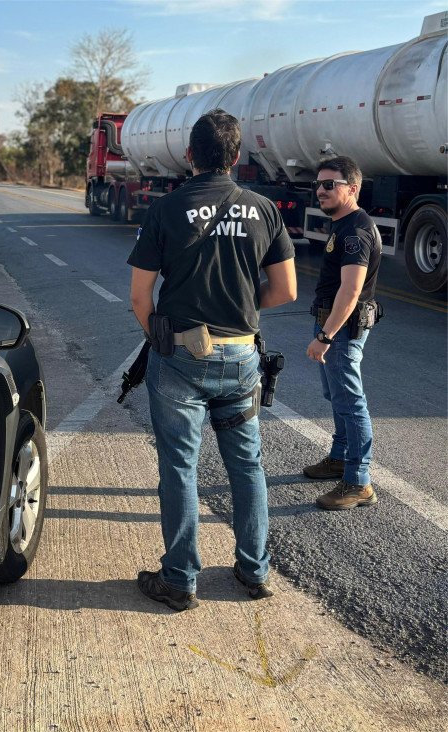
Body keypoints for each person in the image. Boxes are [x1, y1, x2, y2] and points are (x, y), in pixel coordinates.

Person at [128, 109, 297, 611]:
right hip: (242, 355)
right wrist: (244, 309)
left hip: (180, 356)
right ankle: (255, 571)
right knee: (247, 465)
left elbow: (141, 297)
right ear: (237, 157)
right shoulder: (264, 209)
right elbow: (286, 289)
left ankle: (180, 580)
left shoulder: (166, 208)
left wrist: (159, 337)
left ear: (188, 156)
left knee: (180, 467)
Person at [303, 156, 382, 511]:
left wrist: (326, 336)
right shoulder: (343, 223)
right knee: (336, 395)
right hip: (333, 325)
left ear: (352, 188)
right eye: (318, 184)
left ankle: (358, 482)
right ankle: (339, 458)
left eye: (329, 184)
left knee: (351, 403)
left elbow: (351, 290)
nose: (320, 190)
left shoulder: (356, 231)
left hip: (342, 329)